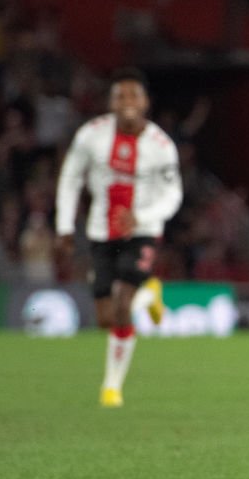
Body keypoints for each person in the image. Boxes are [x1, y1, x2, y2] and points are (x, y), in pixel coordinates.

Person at [55, 68, 183, 408]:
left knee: (123, 304)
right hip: (101, 230)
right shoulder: (91, 136)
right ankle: (150, 295)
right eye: (120, 96)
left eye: (133, 96)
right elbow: (70, 178)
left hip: (142, 231)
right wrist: (65, 226)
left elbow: (173, 196)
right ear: (111, 102)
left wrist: (142, 217)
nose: (126, 102)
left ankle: (111, 387)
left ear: (145, 103)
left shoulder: (161, 146)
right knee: (106, 318)